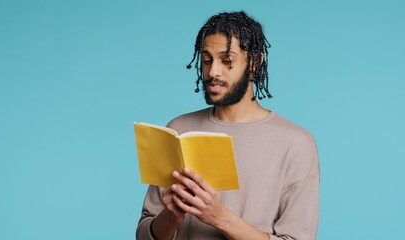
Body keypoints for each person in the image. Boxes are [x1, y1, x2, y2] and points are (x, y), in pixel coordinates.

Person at [136, 11, 320, 240]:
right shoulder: (178, 129)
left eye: (227, 61)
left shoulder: (295, 143)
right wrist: (171, 216)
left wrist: (218, 216)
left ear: (255, 62)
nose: (213, 71)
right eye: (206, 60)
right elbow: (144, 234)